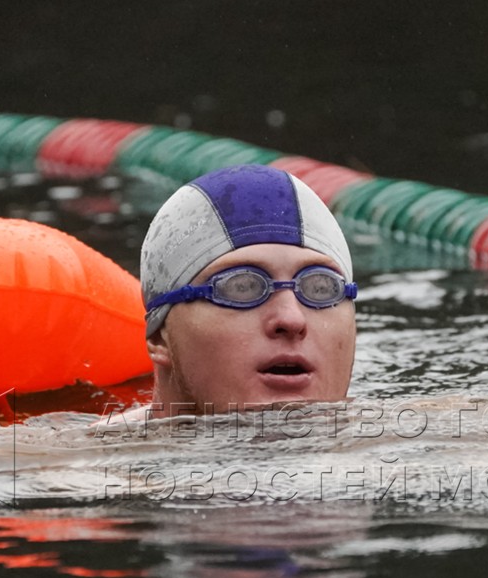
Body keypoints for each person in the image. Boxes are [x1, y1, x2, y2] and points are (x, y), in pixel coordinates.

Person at [140, 164, 358, 415]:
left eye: (321, 287)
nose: (291, 319)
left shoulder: (403, 431)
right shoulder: (99, 452)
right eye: (241, 287)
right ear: (159, 336)